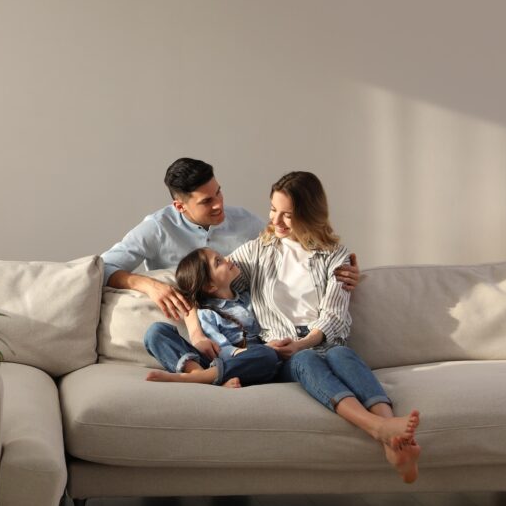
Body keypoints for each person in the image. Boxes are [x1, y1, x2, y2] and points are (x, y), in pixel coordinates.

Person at [185, 171, 422, 483]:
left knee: (340, 356)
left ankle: (395, 440)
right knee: (306, 359)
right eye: (273, 210)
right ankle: (378, 428)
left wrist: (305, 340)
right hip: (283, 350)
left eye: (288, 215)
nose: (277, 222)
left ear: (310, 215)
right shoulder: (257, 251)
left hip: (322, 340)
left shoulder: (335, 256)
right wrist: (195, 330)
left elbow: (335, 316)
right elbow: (200, 284)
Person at [101, 158, 361, 360]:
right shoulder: (156, 228)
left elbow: (293, 249)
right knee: (157, 334)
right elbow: (100, 268)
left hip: (248, 334)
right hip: (194, 325)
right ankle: (201, 371)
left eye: (219, 192)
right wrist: (148, 284)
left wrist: (341, 269)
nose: (219, 205)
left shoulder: (245, 222)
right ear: (180, 207)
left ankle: (227, 368)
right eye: (206, 201)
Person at [143, 247, 281, 388]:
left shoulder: (250, 297)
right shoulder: (207, 313)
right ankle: (198, 373)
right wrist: (247, 352)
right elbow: (220, 351)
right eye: (218, 262)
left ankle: (207, 378)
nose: (229, 259)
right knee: (156, 332)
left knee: (267, 355)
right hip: (222, 359)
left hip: (248, 363)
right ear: (210, 286)